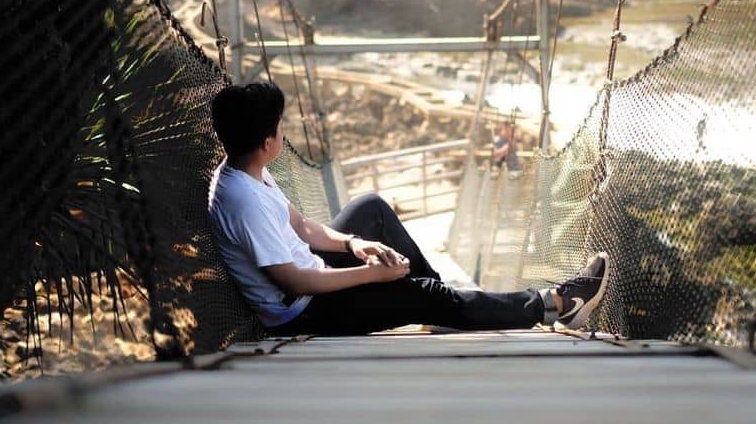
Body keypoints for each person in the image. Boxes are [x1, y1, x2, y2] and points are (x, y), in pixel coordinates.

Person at [207, 82, 611, 336]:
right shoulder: (242, 200)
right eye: (280, 129)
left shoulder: (249, 167)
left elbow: (302, 226)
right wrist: (370, 275)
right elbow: (295, 283)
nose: (284, 134)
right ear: (265, 142)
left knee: (371, 209)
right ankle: (555, 304)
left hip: (312, 278)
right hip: (304, 313)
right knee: (427, 294)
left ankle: (437, 303)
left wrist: (354, 246)